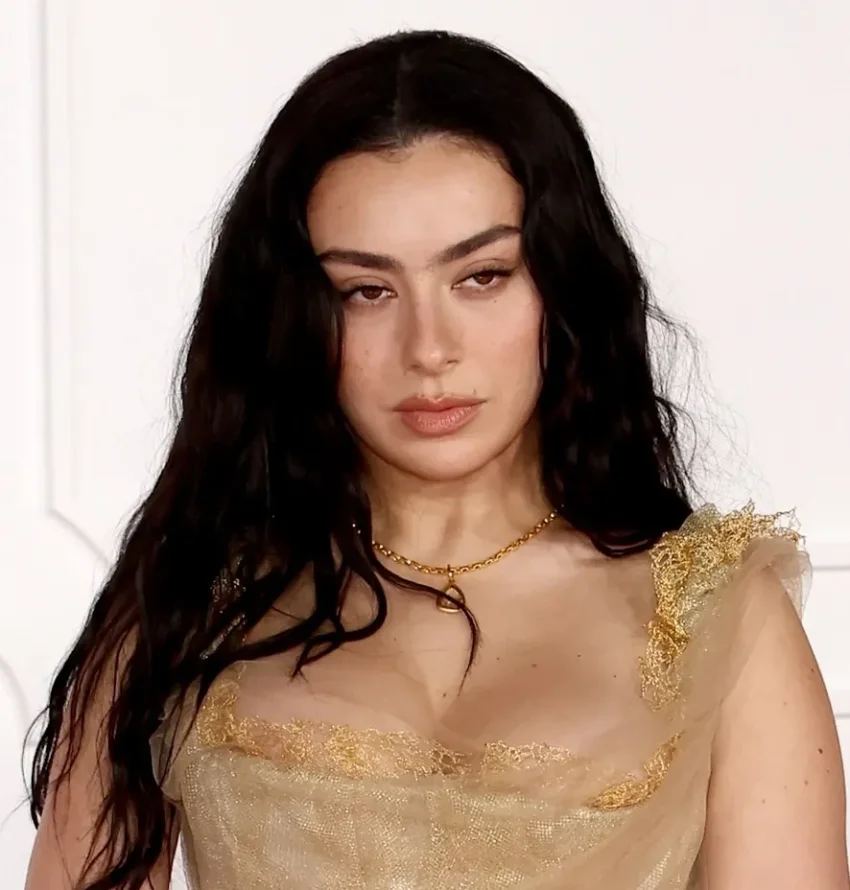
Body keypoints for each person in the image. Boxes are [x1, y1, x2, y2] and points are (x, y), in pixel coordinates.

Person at [23, 27, 849, 890]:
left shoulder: (723, 621)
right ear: (296, 314)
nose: (429, 348)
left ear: (561, 282)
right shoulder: (185, 608)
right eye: (366, 291)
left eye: (481, 276)